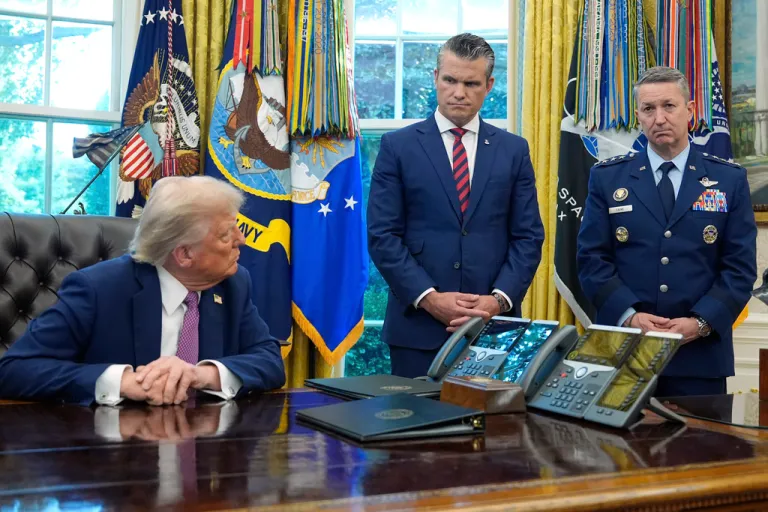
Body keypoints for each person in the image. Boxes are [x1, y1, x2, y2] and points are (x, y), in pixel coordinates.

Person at [0, 176, 286, 406]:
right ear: (184, 254)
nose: (242, 240)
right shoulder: (99, 289)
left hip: (208, 452)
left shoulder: (233, 284)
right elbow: (14, 370)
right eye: (226, 235)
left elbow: (270, 361)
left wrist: (200, 375)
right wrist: (122, 382)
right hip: (115, 455)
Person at [367, 33, 545, 378]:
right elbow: (382, 235)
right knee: (416, 427)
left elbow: (528, 237)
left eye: (471, 82)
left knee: (497, 431)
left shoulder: (514, 150)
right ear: (435, 78)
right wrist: (429, 298)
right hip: (416, 329)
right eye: (450, 80)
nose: (459, 92)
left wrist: (497, 301)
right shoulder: (397, 147)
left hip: (495, 329)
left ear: (489, 85)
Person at [577, 66, 757, 397]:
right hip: (625, 351)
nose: (659, 118)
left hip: (700, 357)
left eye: (669, 106)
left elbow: (740, 268)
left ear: (689, 110)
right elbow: (592, 260)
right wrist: (630, 316)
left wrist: (702, 322)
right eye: (648, 109)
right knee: (618, 448)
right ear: (638, 116)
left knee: (700, 448)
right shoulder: (608, 179)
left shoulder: (728, 180)